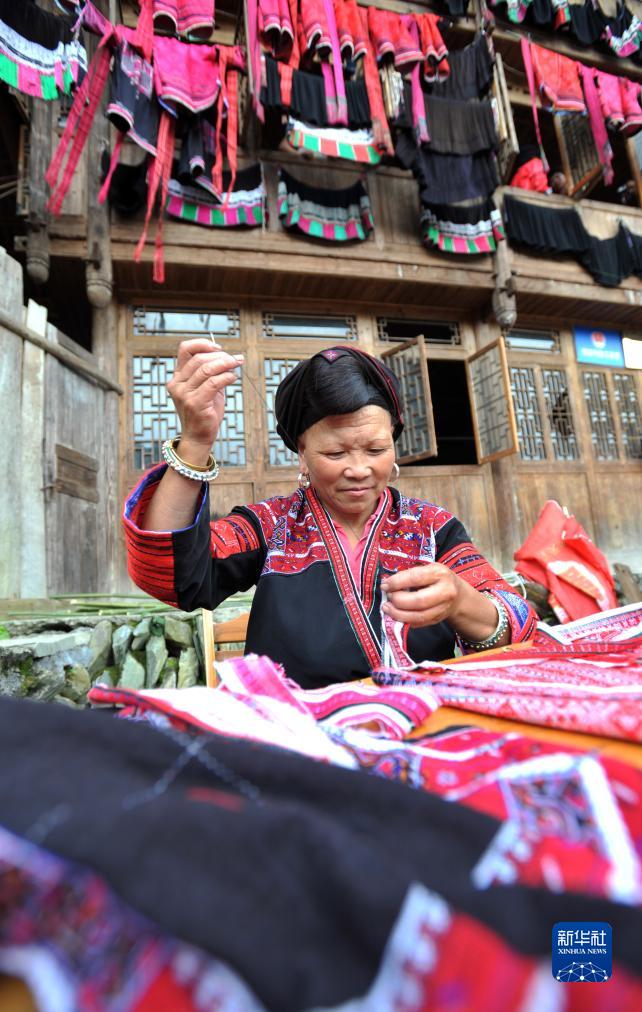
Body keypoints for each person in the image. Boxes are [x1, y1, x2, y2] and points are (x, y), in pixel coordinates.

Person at [124, 340, 537, 687]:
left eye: (376, 450)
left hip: (416, 730)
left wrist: (462, 602)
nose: (358, 469)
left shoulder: (432, 528)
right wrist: (195, 440)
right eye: (334, 452)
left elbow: (520, 625)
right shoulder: (272, 526)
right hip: (296, 739)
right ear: (301, 453)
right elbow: (171, 573)